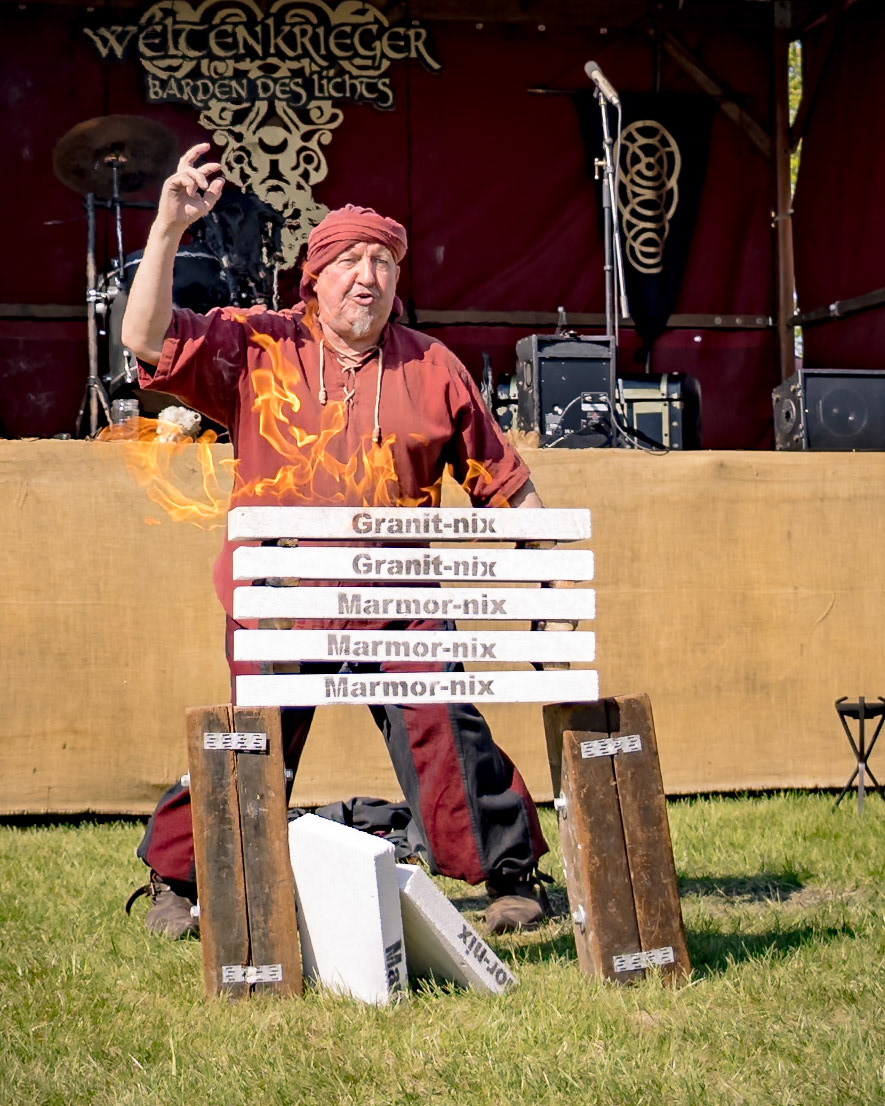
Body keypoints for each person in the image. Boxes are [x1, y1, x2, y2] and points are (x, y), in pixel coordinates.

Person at [122, 143, 552, 939]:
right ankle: (178, 879)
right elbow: (146, 338)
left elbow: (504, 481)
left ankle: (510, 875)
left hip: (397, 596)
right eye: (349, 261)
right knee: (253, 734)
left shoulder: (433, 367)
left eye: (383, 261)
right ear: (313, 278)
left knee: (444, 724)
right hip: (281, 594)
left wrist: (547, 577)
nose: (367, 276)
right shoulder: (258, 344)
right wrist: (168, 229)